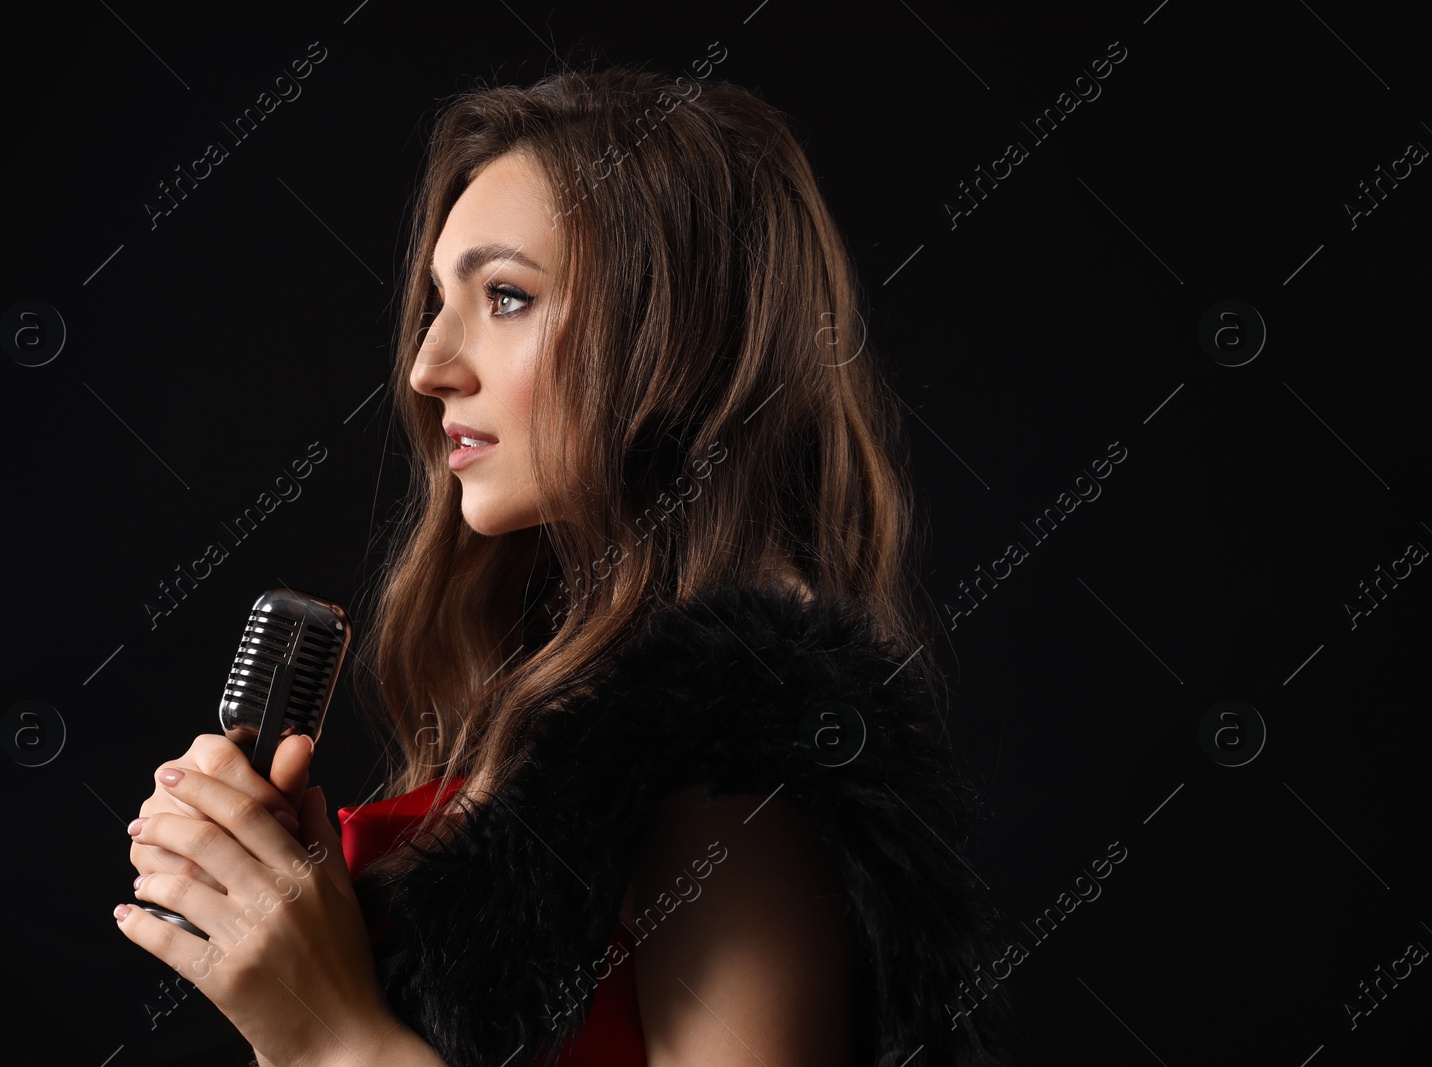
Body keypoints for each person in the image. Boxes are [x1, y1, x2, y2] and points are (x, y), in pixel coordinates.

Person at [115, 64, 1017, 1066]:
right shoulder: (595, 712)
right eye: (435, 301)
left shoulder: (743, 741)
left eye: (506, 295)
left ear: (681, 331)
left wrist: (332, 1032)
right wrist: (291, 940)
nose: (427, 366)